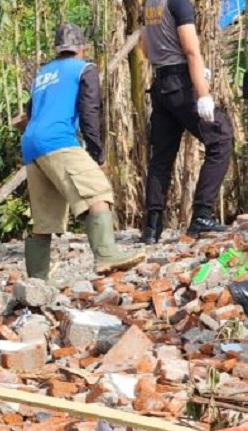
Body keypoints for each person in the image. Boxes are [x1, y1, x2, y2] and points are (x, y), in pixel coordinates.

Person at [20, 24, 145, 280]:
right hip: (59, 140)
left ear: (58, 49)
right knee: (97, 192)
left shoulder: (42, 74)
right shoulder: (84, 69)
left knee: (44, 219)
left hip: (31, 144)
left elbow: (30, 112)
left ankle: (37, 279)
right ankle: (106, 255)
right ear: (82, 48)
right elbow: (89, 113)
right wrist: (97, 153)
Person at [141, 0, 234, 242]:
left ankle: (152, 227)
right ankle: (202, 214)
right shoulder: (178, 3)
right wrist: (203, 94)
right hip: (181, 85)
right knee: (221, 139)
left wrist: (191, 68)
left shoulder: (150, 5)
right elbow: (191, 50)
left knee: (161, 157)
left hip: (161, 85)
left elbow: (146, 49)